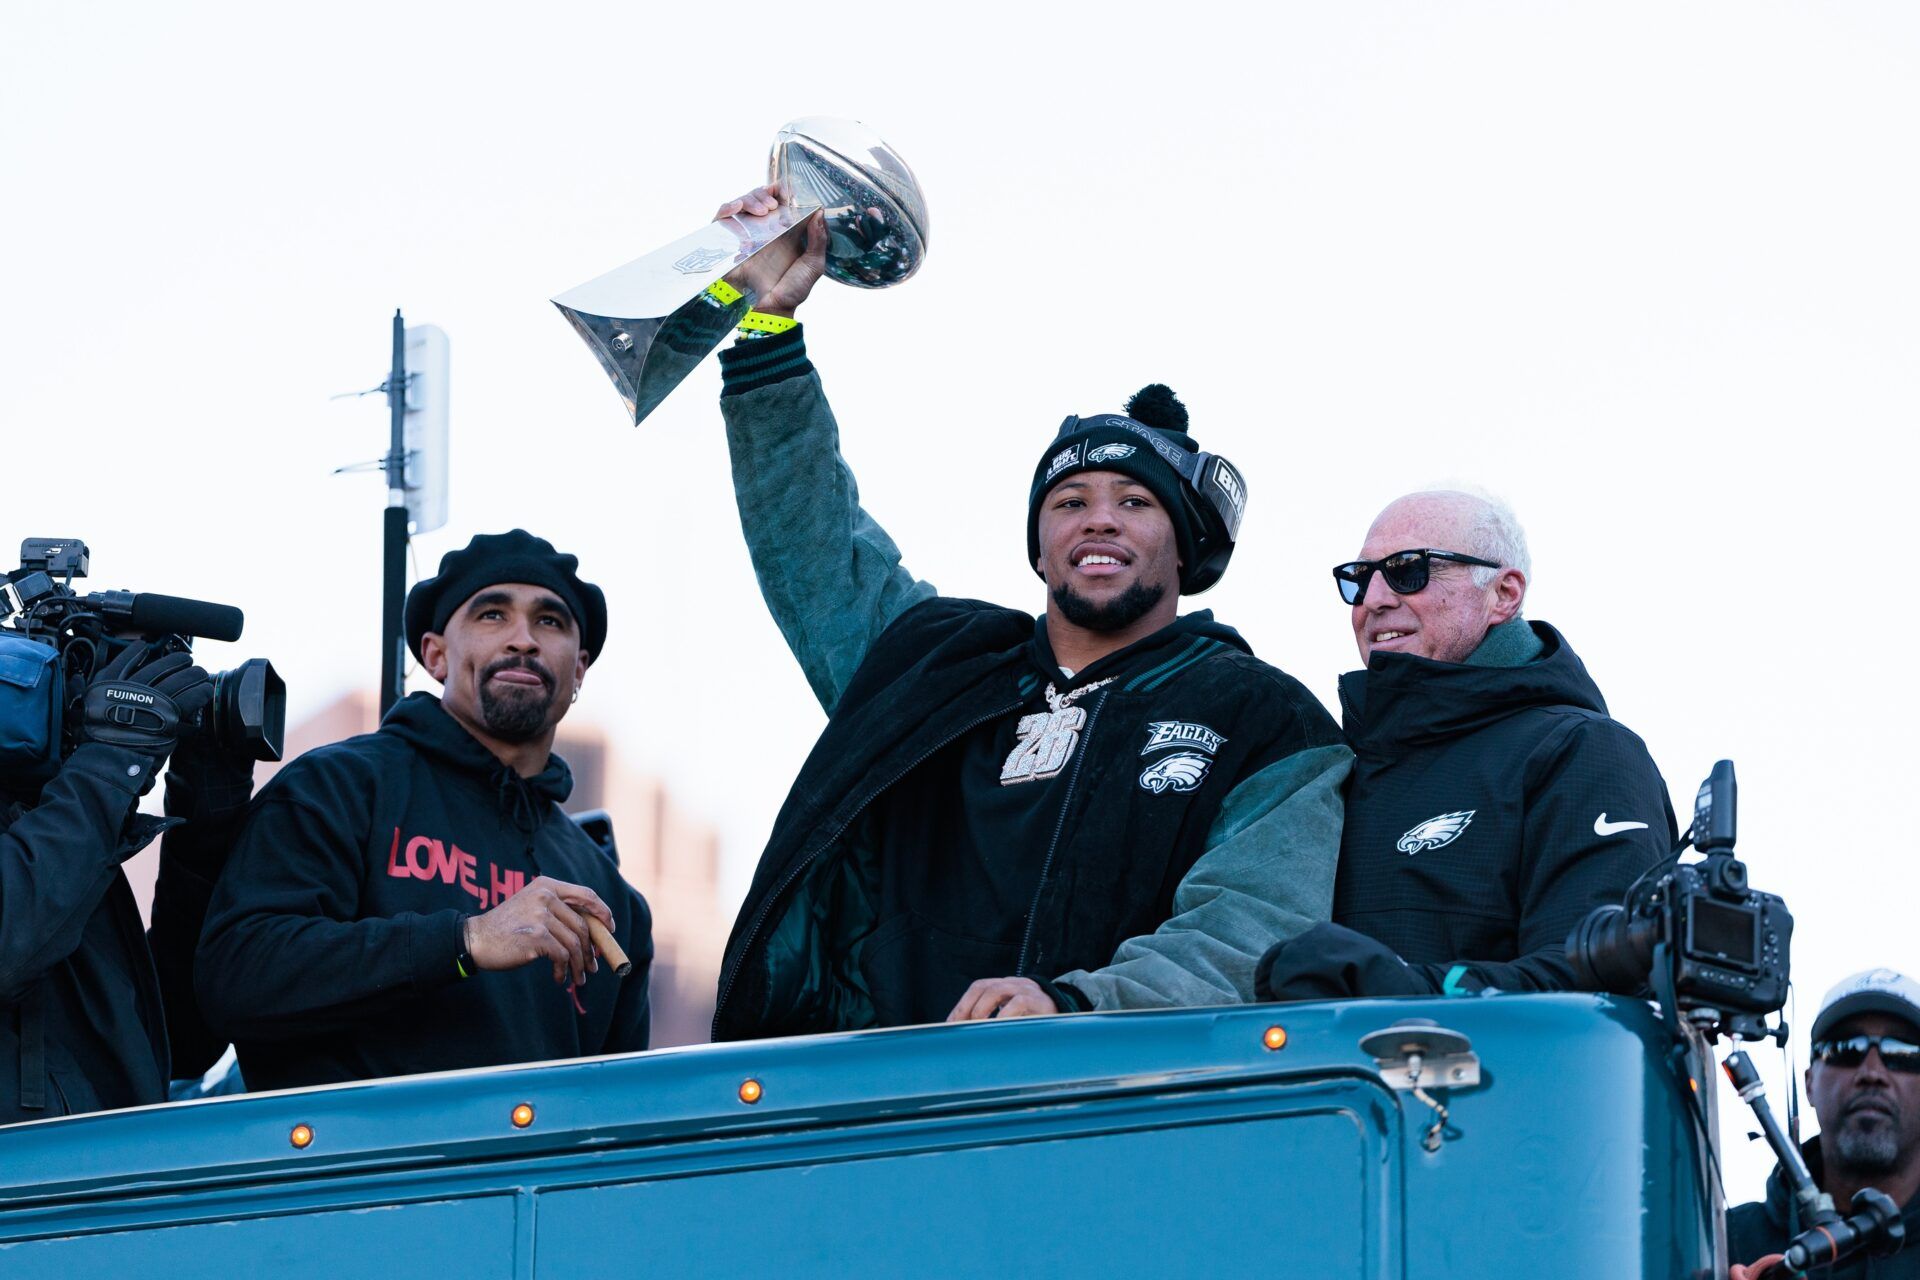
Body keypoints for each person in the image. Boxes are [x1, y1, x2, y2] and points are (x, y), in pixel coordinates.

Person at [704, 186, 1349, 1041]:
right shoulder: (932, 667)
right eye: (1070, 499)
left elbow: (1250, 925)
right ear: (1040, 546)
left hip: (1106, 1115)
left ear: (1186, 549)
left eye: (1135, 502)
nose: (1100, 519)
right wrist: (763, 328)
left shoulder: (1266, 722)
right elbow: (813, 543)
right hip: (874, 1107)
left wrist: (1075, 1007)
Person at [196, 531, 651, 1090]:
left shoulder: (611, 897)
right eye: (491, 615)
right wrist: (465, 942)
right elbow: (235, 975)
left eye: (550, 622)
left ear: (578, 669)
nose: (523, 640)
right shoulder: (338, 788)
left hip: (529, 1179)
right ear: (435, 655)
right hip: (351, 1172)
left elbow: (617, 1105)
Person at [1256, 489, 1673, 1001]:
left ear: (1504, 594)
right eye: (1360, 578)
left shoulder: (1583, 752)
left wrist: (1410, 989)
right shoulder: (1328, 768)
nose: (1375, 600)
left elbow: (1602, 985)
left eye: (1410, 569)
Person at [1, 640, 252, 1123]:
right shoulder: (74, 813)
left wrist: (205, 820)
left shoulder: (58, 824)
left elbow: (179, 1042)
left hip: (111, 1172)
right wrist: (113, 763)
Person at [1728, 968, 1920, 1279]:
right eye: (1846, 1049)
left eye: (1903, 1052)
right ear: (1809, 1083)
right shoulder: (1722, 1241)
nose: (1872, 1072)